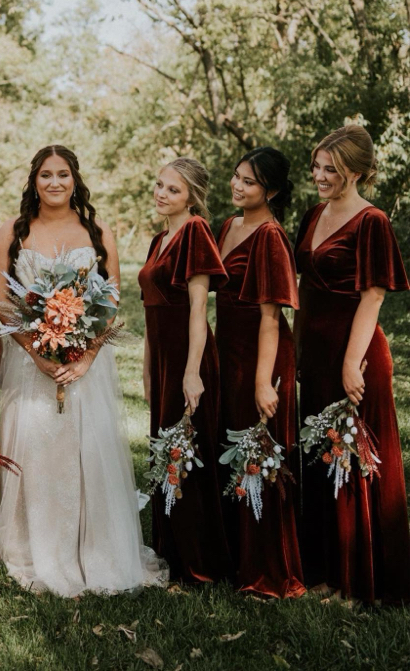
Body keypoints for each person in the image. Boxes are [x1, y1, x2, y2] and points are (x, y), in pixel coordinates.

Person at [0, 145, 166, 596]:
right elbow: (0, 305)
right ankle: (35, 545)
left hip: (89, 362)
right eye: (46, 175)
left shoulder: (96, 230)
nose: (54, 183)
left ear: (75, 179)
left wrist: (86, 355)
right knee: (37, 445)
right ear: (34, 180)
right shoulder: (12, 231)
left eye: (63, 174)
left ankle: (94, 546)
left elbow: (109, 301)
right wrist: (37, 354)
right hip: (30, 362)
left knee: (88, 447)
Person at [294, 125, 410, 603]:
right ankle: (324, 569)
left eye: (332, 171)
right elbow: (302, 288)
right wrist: (296, 347)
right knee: (320, 460)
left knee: (354, 461)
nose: (321, 177)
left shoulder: (372, 221)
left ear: (357, 172)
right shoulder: (313, 213)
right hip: (315, 354)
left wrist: (351, 362)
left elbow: (374, 294)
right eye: (318, 167)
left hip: (356, 355)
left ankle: (358, 579)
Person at [216, 147, 304, 599]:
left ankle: (267, 570)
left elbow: (271, 317)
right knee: (229, 451)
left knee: (259, 457)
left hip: (263, 356)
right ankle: (234, 559)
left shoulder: (270, 236)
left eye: (248, 182)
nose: (237, 186)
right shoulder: (228, 225)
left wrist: (261, 380)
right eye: (236, 177)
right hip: (228, 351)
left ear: (270, 190)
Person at [139, 157, 231, 584]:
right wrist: (146, 368)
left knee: (187, 453)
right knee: (165, 449)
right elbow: (149, 313)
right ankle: (171, 551)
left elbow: (199, 308)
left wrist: (192, 371)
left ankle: (198, 564)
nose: (161, 193)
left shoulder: (195, 232)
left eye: (172, 190)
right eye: (159, 185)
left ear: (192, 196)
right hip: (161, 356)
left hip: (187, 355)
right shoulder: (159, 240)